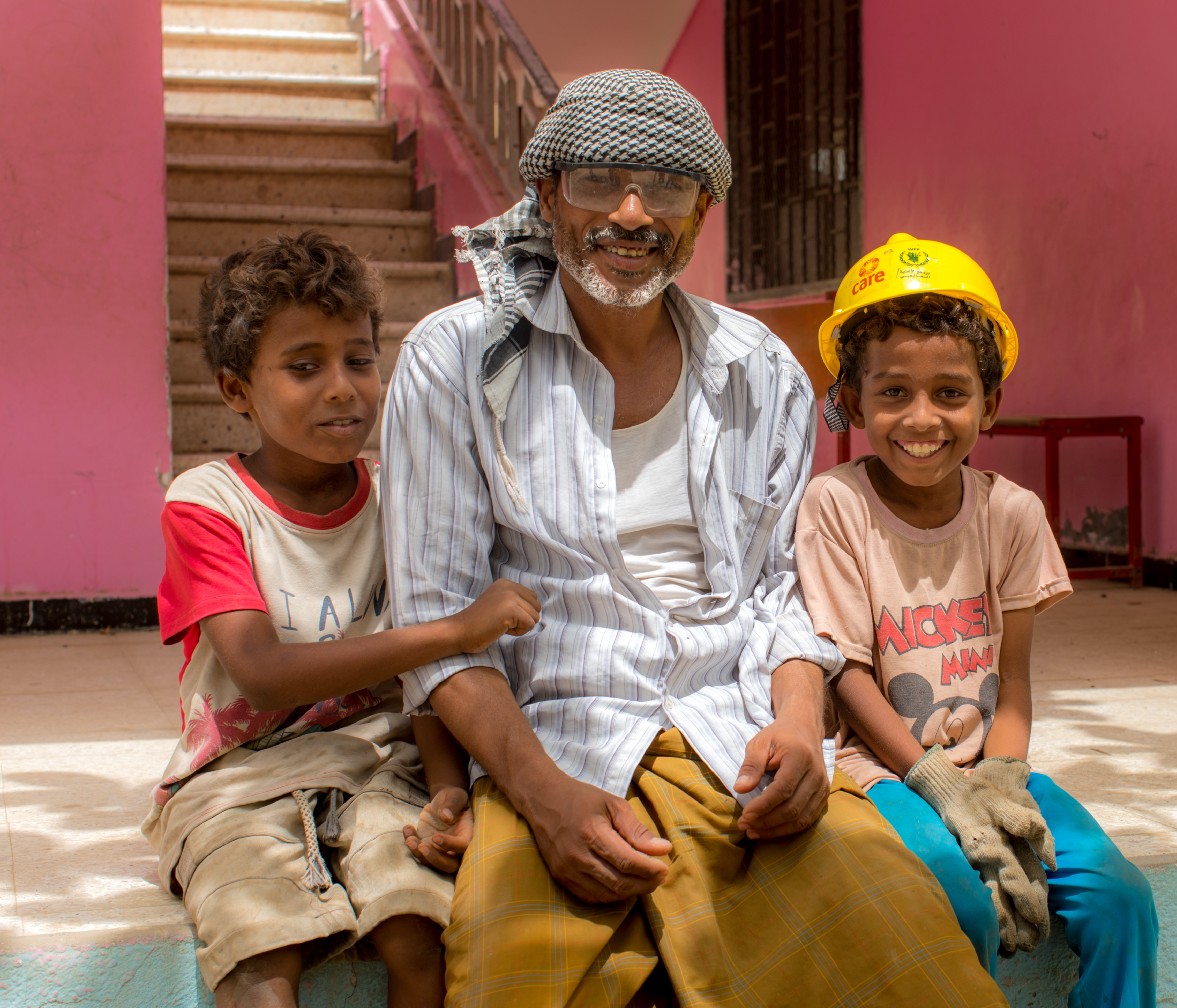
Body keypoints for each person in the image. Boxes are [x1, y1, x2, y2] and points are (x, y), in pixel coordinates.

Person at [380, 71, 1007, 1007]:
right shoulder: (457, 360)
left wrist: (800, 725)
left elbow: (782, 594)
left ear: (703, 212)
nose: (632, 214)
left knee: (906, 962)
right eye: (599, 181)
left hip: (739, 742)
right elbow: (438, 621)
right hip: (552, 744)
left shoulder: (759, 370)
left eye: (666, 188)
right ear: (547, 195)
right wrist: (541, 800)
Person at [141, 230, 540, 1008]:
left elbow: (422, 682)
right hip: (237, 783)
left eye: (358, 360)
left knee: (418, 937)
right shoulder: (207, 504)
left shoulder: (401, 499)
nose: (342, 388)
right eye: (303, 366)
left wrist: (449, 788)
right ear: (235, 391)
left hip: (380, 767)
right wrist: (458, 630)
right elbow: (259, 672)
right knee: (260, 958)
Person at [796, 233, 1160, 1007]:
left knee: (1121, 897)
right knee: (958, 899)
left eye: (950, 393)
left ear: (989, 405)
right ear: (854, 402)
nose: (921, 417)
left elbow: (1016, 673)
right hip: (879, 770)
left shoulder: (1013, 514)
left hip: (987, 767)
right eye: (892, 392)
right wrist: (937, 785)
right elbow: (848, 672)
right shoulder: (837, 506)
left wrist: (1001, 773)